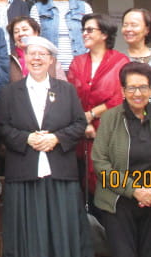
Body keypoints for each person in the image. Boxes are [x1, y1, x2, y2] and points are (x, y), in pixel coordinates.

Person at [0, 36, 92, 257]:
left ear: (51, 61)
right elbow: (1, 127)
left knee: (62, 233)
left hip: (59, 174)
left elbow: (79, 124)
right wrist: (26, 139)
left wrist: (56, 138)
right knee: (26, 236)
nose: (36, 58)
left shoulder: (66, 90)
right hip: (23, 174)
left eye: (42, 54)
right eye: (32, 54)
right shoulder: (10, 92)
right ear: (25, 59)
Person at [67, 14, 129, 204]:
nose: (84, 33)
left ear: (104, 34)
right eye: (83, 30)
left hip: (109, 130)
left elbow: (120, 97)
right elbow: (70, 96)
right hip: (81, 133)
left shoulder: (120, 61)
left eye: (90, 30)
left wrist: (92, 114)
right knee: (83, 186)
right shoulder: (77, 62)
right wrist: (83, 121)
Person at [92, 62, 151, 257]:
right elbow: (100, 164)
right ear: (123, 91)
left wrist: (147, 193)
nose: (138, 93)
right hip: (117, 202)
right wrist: (134, 190)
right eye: (132, 87)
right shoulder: (110, 118)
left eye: (143, 87)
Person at [30, 0, 93, 72]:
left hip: (81, 69)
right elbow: (35, 42)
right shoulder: (37, 9)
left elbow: (92, 38)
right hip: (50, 70)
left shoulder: (84, 8)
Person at [7, 15, 66, 82]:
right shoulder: (7, 61)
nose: (20, 34)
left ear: (36, 33)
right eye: (16, 32)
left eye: (25, 29)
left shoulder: (50, 59)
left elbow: (63, 87)